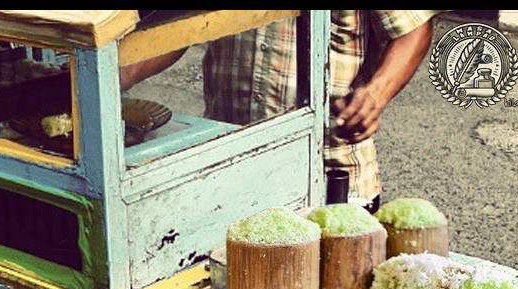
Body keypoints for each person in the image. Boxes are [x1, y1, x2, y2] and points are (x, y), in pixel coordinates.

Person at [122, 10, 439, 211]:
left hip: (328, 176)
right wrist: (124, 73)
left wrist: (375, 95)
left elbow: (413, 29)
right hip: (230, 164)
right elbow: (179, 27)